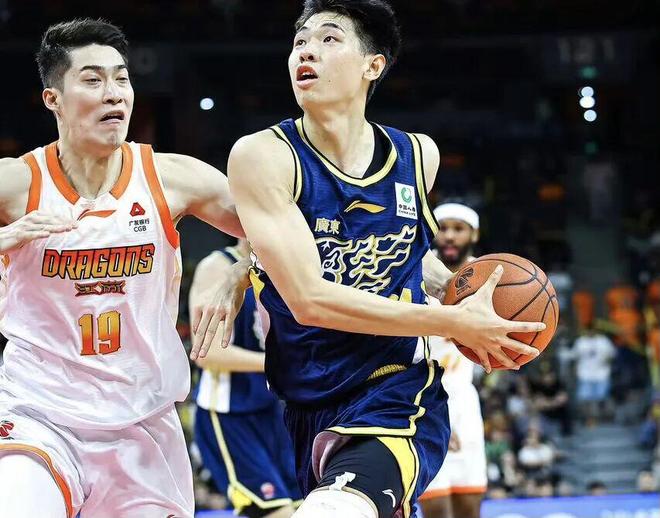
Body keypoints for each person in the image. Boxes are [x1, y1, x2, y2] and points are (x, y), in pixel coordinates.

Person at [196, 2, 544, 517]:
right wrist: (246, 269)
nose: (306, 51)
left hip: (397, 388)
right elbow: (309, 300)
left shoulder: (417, 155)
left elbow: (411, 253)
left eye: (329, 39)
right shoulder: (264, 156)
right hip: (307, 398)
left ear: (373, 65)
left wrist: (462, 295)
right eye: (299, 41)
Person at [0, 19, 246, 518]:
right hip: (39, 414)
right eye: (93, 80)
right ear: (53, 99)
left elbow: (284, 230)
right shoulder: (15, 183)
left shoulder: (174, 177)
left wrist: (241, 267)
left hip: (142, 422)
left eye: (122, 78)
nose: (114, 93)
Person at [190, 240, 301, 518]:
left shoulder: (282, 265)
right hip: (230, 411)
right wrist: (276, 363)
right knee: (274, 512)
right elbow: (207, 352)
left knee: (306, 506)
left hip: (275, 409)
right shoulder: (217, 266)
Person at [419, 203, 487, 518]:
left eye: (458, 229)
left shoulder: (488, 277)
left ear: (474, 234)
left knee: (470, 508)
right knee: (437, 510)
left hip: (465, 401)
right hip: (424, 395)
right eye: (443, 228)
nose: (448, 236)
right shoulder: (418, 270)